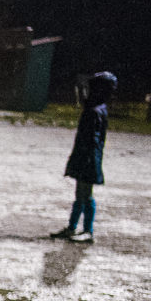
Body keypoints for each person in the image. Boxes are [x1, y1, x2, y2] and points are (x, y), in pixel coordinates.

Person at [53, 71, 115, 243]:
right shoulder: (96, 108)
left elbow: (93, 140)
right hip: (85, 157)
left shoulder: (95, 111)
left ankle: (88, 230)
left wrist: (87, 160)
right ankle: (73, 228)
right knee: (80, 194)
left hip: (87, 158)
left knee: (85, 195)